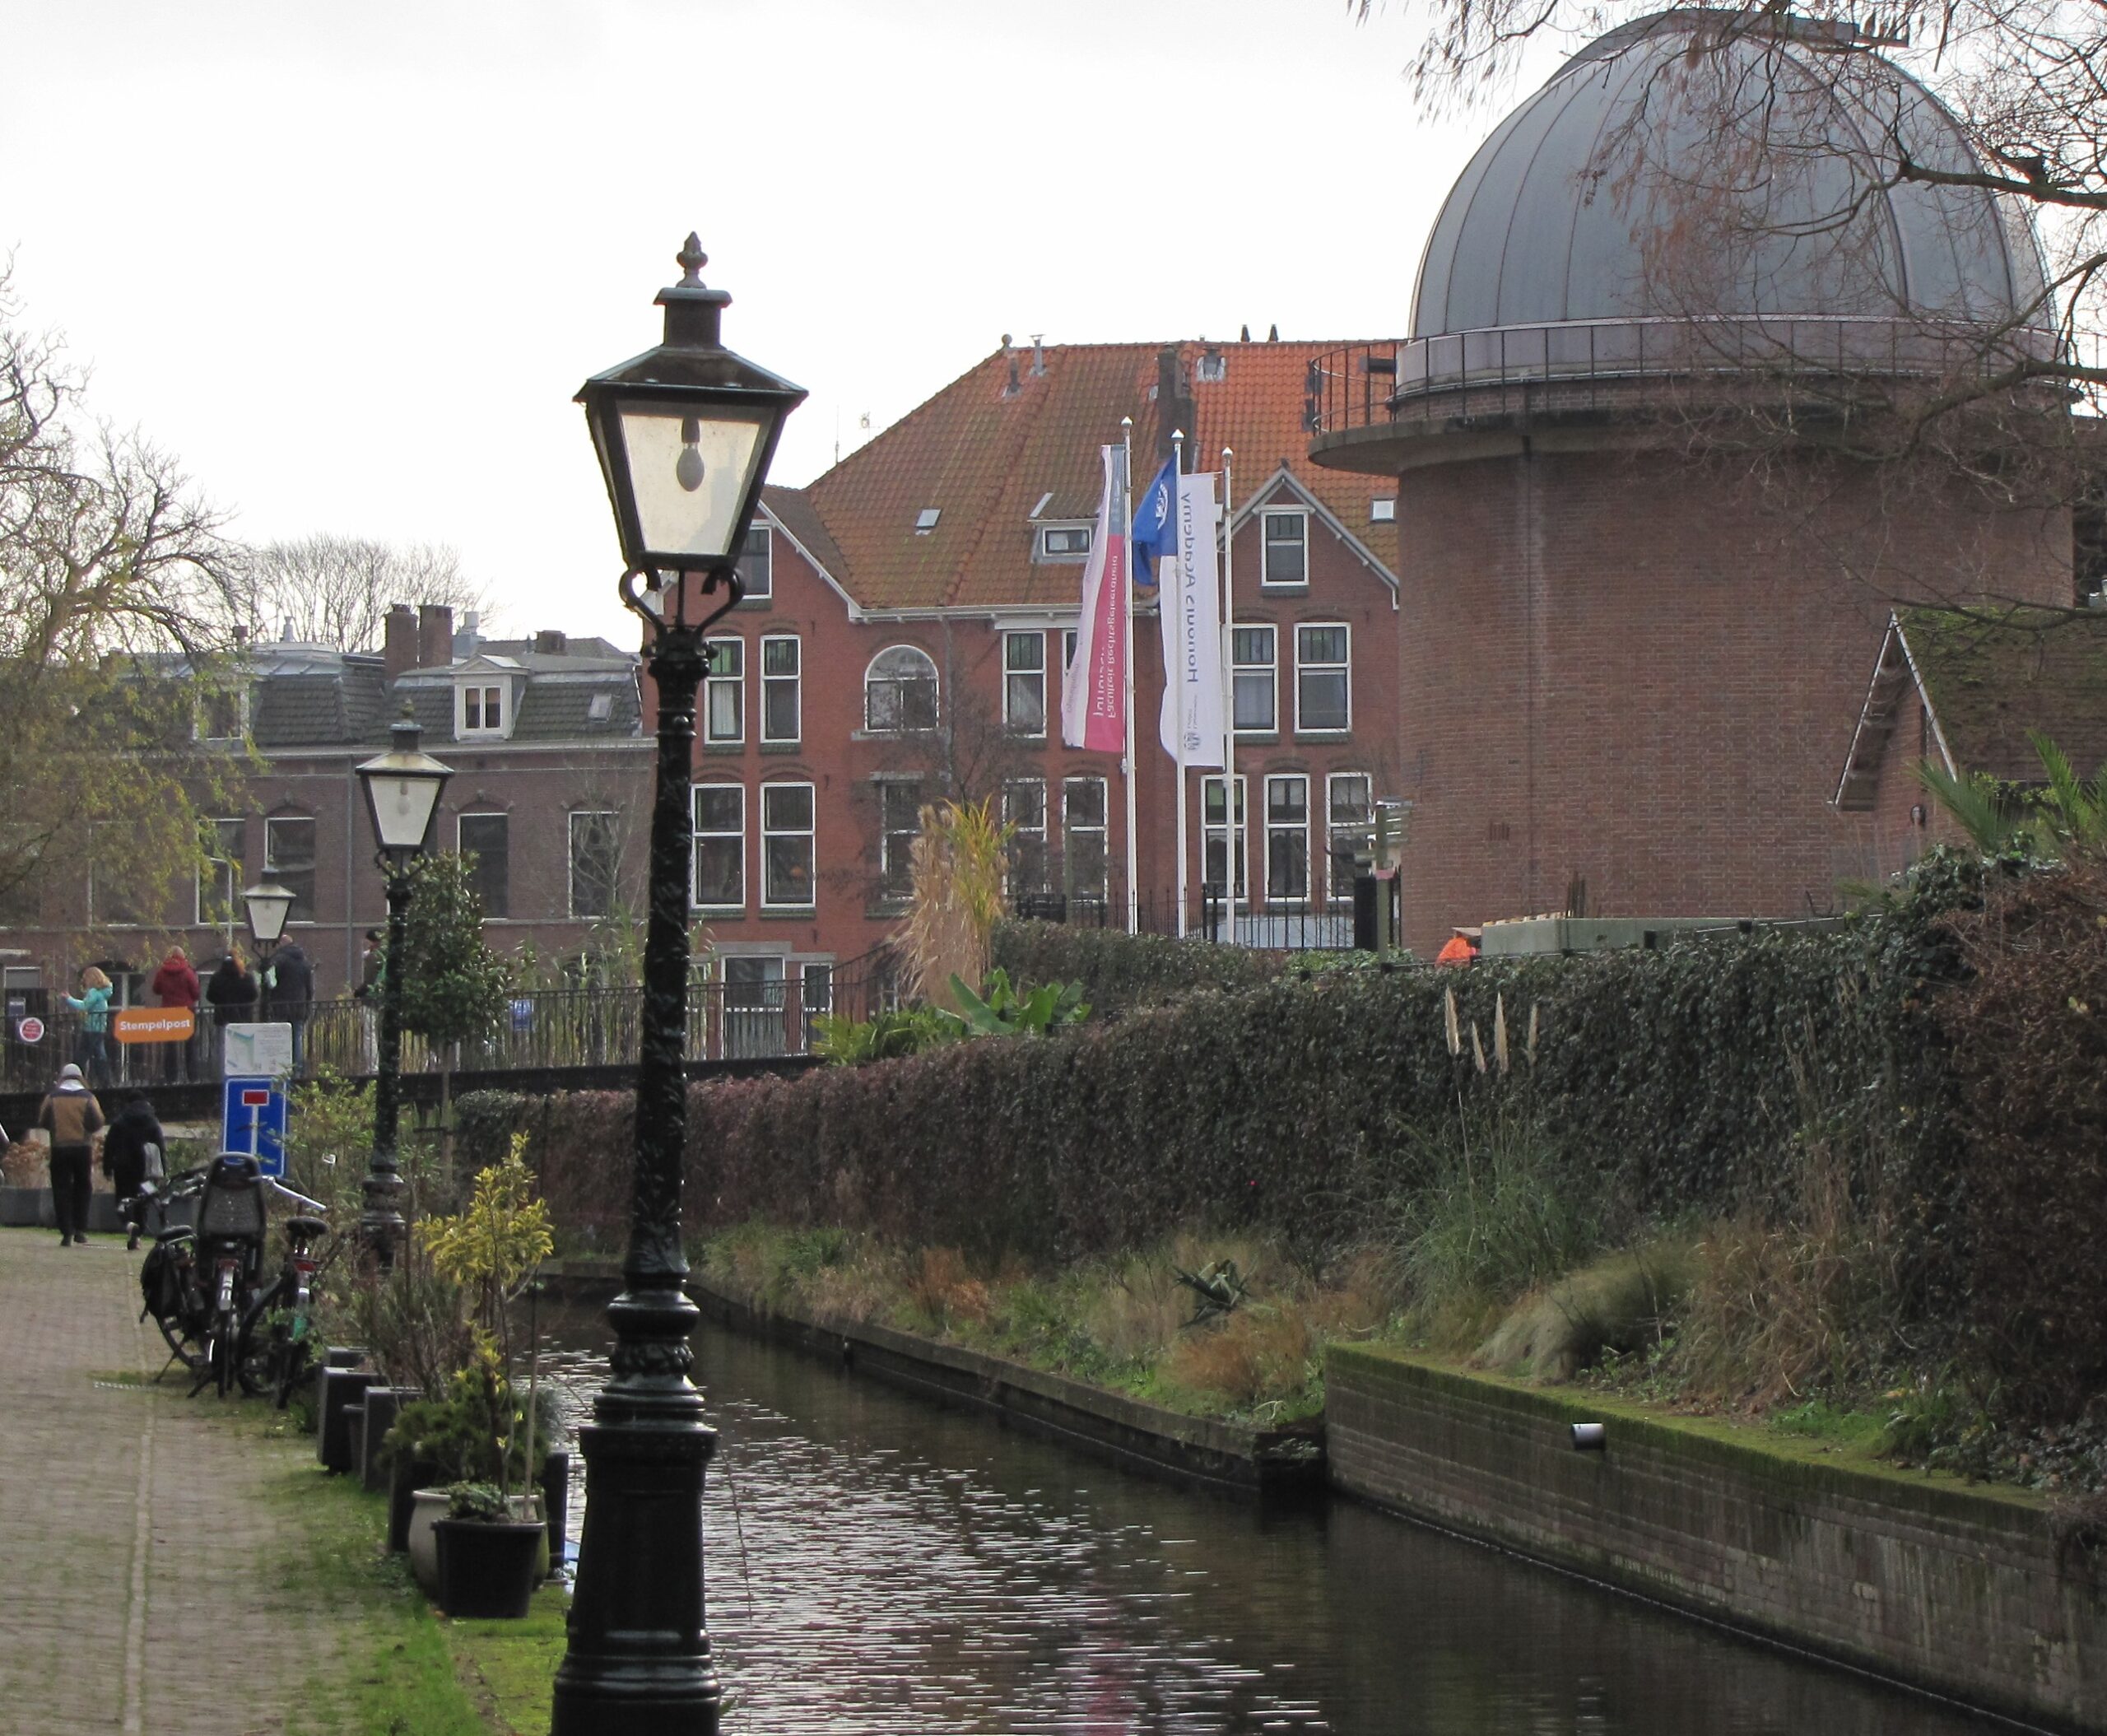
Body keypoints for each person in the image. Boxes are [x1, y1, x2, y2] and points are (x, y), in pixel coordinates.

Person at [35, 1063, 104, 1245]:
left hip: (59, 1148)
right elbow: (98, 1121)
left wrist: (56, 1129)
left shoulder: (52, 1097)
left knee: (61, 1189)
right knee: (83, 1187)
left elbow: (42, 1120)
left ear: (62, 1077)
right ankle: (80, 1229)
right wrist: (85, 1130)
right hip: (83, 1148)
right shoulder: (89, 1098)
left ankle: (66, 1232)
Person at [102, 1092, 165, 1251]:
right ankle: (138, 1234)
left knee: (123, 1200)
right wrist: (163, 1169)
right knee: (143, 1202)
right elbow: (160, 1148)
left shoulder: (119, 1121)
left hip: (123, 1168)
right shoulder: (152, 1122)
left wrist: (107, 1168)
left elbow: (110, 1147)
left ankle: (129, 1225)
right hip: (146, 1170)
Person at [262, 938, 314, 1075]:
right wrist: (307, 1003)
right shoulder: (305, 962)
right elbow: (309, 988)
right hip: (300, 1006)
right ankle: (297, 1071)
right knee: (297, 1038)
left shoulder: (279, 960)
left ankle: (281, 1071)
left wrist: (268, 992)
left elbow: (270, 981)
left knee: (280, 1039)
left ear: (280, 944)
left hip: (281, 1005)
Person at [151, 944, 201, 1083]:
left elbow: (156, 989)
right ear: (183, 956)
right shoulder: (188, 972)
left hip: (169, 1012)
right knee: (190, 1044)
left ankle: (171, 1077)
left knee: (170, 1046)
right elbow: (196, 993)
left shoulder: (162, 972)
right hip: (187, 1012)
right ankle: (193, 1076)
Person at [205, 950, 258, 1073]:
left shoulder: (217, 977)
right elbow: (253, 995)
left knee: (222, 1046)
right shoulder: (246, 977)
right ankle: (242, 1071)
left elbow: (210, 996)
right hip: (243, 1017)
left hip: (223, 1016)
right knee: (243, 1045)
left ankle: (221, 1072)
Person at [64, 966, 114, 1086]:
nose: (84, 981)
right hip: (100, 1028)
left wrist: (69, 999)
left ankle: (75, 1079)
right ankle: (105, 1081)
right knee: (99, 1055)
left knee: (82, 1055)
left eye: (85, 978)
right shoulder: (103, 993)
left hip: (91, 1028)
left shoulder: (93, 993)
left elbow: (84, 1006)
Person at [355, 928, 384, 1073]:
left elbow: (369, 981)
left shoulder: (373, 957)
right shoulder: (386, 955)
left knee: (369, 1033)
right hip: (383, 1000)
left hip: (371, 1000)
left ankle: (373, 1066)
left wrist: (358, 992)